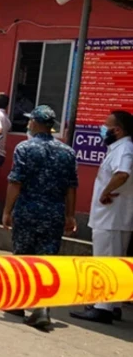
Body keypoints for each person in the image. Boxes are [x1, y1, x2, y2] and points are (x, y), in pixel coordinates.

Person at [0, 106, 78, 328]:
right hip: (54, 214)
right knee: (47, 262)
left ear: (35, 123)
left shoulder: (25, 148)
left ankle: (18, 303)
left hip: (27, 212)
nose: (28, 124)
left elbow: (15, 182)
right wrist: (70, 215)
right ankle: (42, 307)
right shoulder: (67, 152)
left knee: (22, 258)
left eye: (30, 121)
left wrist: (7, 210)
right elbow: (71, 187)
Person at [71, 110, 133, 324]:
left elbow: (122, 174)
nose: (102, 129)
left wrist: (106, 191)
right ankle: (113, 305)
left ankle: (102, 308)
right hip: (115, 216)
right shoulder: (120, 148)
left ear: (117, 130)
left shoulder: (124, 148)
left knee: (106, 260)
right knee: (116, 261)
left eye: (106, 125)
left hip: (111, 217)